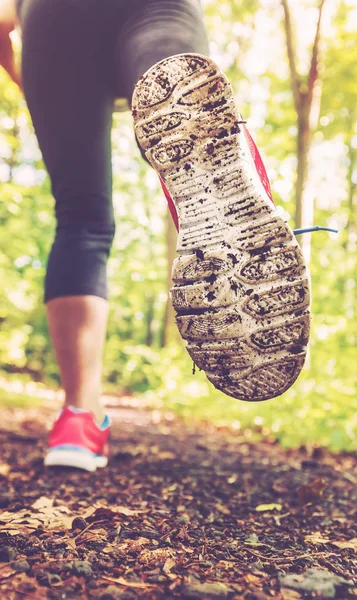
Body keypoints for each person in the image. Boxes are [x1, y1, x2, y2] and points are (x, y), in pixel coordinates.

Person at [0, 0, 310, 471]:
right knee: (172, 79)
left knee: (82, 218)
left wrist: (35, 82)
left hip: (50, 19)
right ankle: (228, 157)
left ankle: (79, 418)